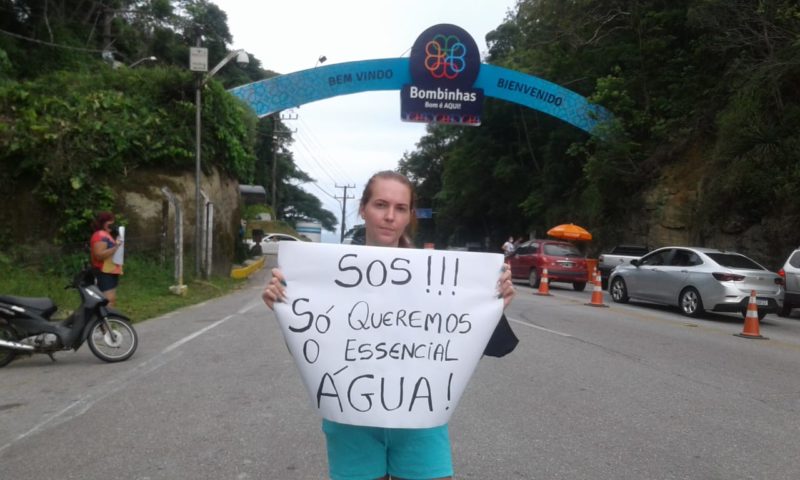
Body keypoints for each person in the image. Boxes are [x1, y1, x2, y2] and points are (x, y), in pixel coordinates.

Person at [263, 171, 516, 480]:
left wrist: (493, 304)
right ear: (363, 209)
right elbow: (310, 351)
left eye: (400, 208)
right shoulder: (322, 272)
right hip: (350, 421)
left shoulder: (439, 277)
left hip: (421, 422)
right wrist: (283, 306)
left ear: (410, 215)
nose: (389, 217)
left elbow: (462, 350)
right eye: (381, 204)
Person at [89, 211, 124, 307]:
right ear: (103, 222)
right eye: (110, 221)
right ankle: (105, 321)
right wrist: (116, 247)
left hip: (110, 272)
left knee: (110, 300)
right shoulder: (100, 235)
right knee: (107, 301)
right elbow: (99, 255)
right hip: (104, 272)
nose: (112, 223)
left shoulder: (106, 234)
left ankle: (105, 321)